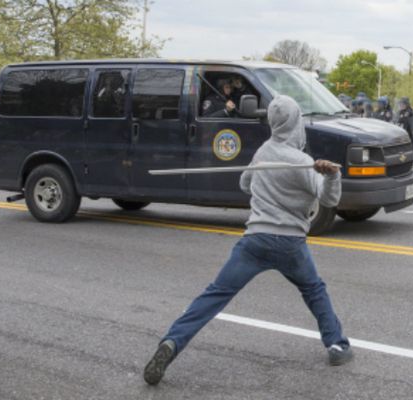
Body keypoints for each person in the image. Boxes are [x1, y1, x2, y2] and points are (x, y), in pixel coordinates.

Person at [143, 95, 353, 386]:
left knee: (214, 295)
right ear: (295, 124)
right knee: (314, 290)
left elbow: (244, 184)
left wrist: (264, 180)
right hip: (290, 243)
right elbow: (330, 198)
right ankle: (337, 346)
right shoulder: (303, 162)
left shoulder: (263, 152)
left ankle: (171, 342)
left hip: (254, 241)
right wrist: (330, 176)